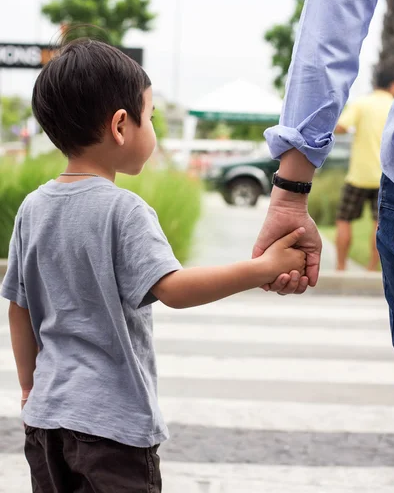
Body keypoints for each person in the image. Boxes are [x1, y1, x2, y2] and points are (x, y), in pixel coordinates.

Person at [1, 39, 306, 493]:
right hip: (112, 428)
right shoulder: (124, 210)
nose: (155, 130)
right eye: (152, 116)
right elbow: (174, 289)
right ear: (121, 126)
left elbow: (19, 310)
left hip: (46, 421)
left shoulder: (33, 207)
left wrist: (30, 389)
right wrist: (262, 267)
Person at [253, 0, 394, 382]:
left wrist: (292, 191)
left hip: (378, 175)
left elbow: (336, 12)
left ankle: (343, 261)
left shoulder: (366, 104)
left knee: (352, 220)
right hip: (383, 184)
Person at [335, 69, 394, 271]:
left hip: (358, 176)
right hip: (386, 175)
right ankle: (372, 268)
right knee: (378, 223)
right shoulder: (393, 106)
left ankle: (341, 265)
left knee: (343, 219)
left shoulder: (362, 103)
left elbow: (341, 127)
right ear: (393, 86)